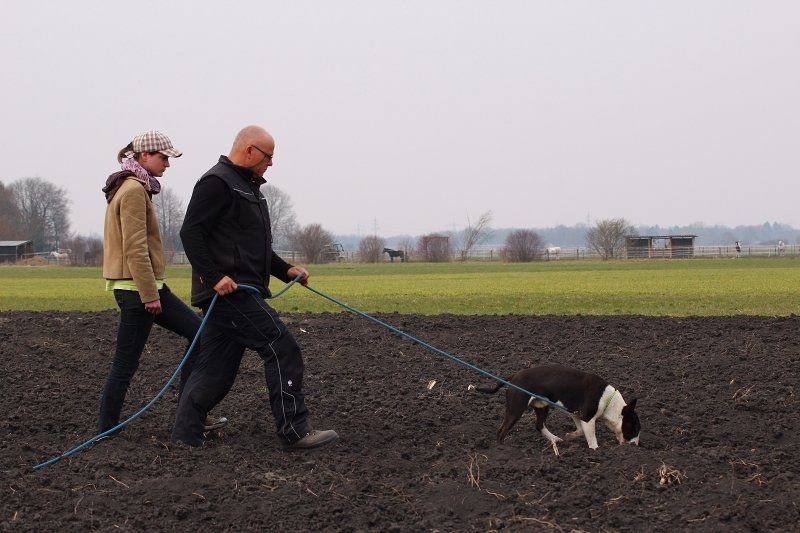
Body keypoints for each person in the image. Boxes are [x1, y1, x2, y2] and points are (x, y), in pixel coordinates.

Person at [171, 125, 338, 450]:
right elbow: (190, 233)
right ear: (249, 150)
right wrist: (214, 277)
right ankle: (294, 430)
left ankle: (185, 435)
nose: (271, 163)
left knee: (217, 370)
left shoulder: (249, 189)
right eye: (268, 156)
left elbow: (255, 250)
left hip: (240, 291)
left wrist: (286, 270)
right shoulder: (216, 183)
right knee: (281, 345)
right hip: (229, 293)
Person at [99, 131, 226, 435]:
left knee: (199, 335)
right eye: (163, 157)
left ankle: (190, 413)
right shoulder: (133, 190)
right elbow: (135, 248)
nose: (167, 164)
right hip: (138, 290)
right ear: (144, 156)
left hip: (145, 287)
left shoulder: (134, 187)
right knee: (126, 364)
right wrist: (149, 294)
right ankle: (107, 430)